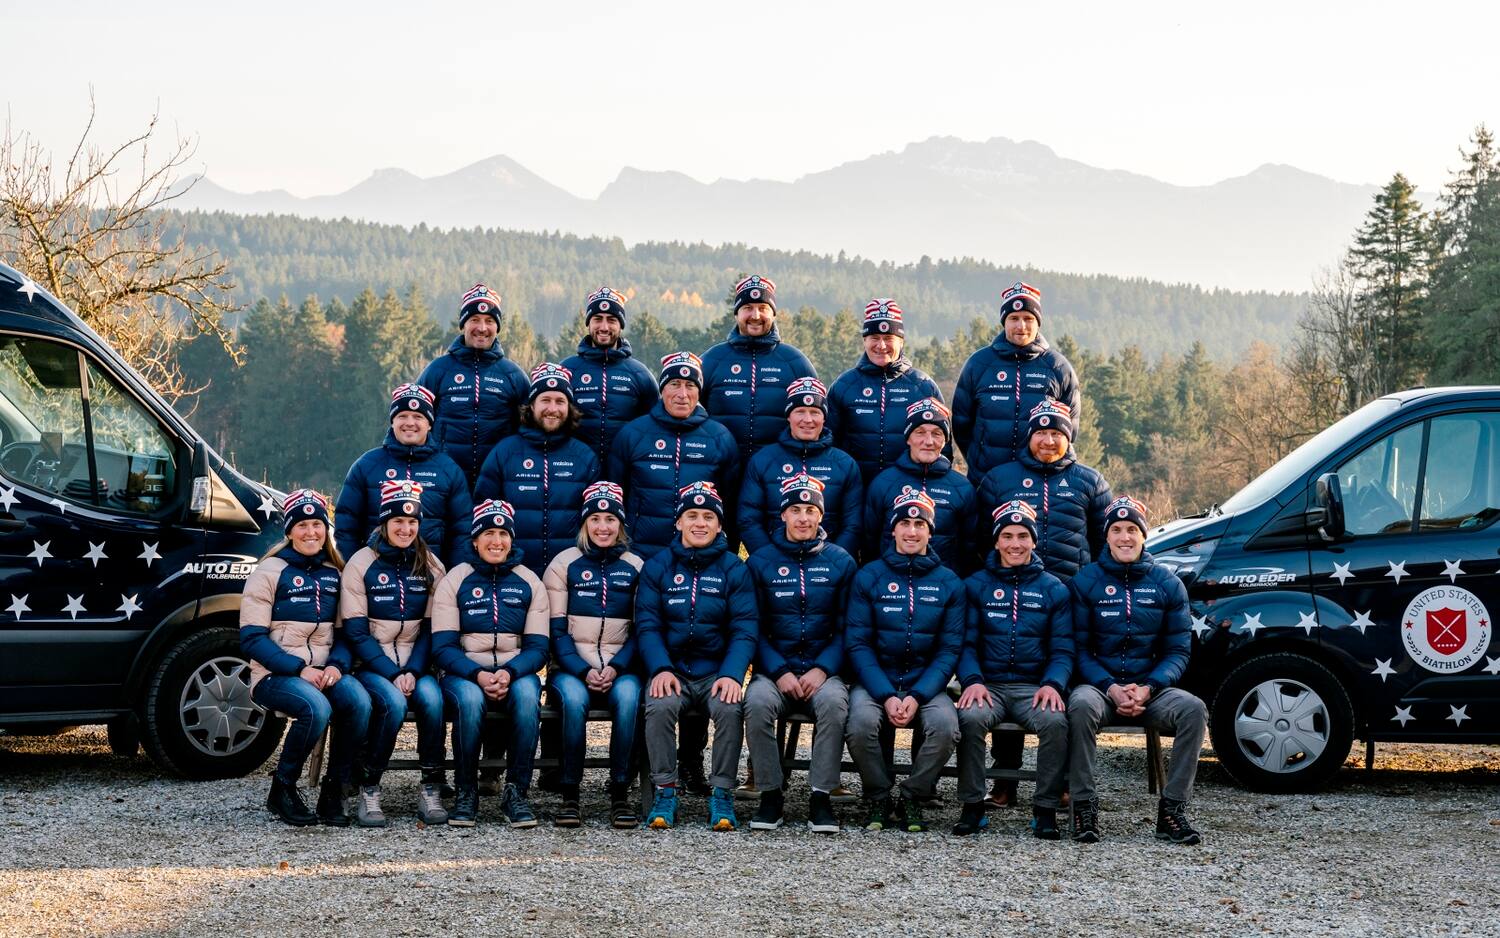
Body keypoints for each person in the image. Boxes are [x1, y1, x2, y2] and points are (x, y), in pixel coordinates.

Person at [1068, 496, 1206, 845]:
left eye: (1132, 530)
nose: (1125, 537)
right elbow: (1080, 650)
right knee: (1080, 706)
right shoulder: (1085, 582)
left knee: (1193, 709)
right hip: (1100, 688)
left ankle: (1172, 811)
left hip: (1152, 689)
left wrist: (1149, 686)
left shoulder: (1167, 583)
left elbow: (1177, 651)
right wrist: (1111, 687)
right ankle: (1084, 807)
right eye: (1116, 530)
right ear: (1107, 536)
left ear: (1144, 535)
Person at [240, 489, 371, 827]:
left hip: (323, 672)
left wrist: (335, 665)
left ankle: (334, 791)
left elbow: (344, 635)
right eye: (302, 525)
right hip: (274, 675)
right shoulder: (268, 572)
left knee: (358, 701)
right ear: (289, 531)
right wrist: (300, 669)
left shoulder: (335, 573)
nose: (311, 532)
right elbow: (252, 639)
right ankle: (282, 789)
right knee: (316, 708)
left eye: (318, 524)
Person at [636, 482, 758, 831]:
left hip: (715, 672)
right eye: (692, 515)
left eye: (708, 517)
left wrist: (733, 674)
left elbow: (744, 628)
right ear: (678, 523)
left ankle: (722, 792)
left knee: (730, 707)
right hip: (671, 669)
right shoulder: (657, 566)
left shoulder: (735, 569)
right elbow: (648, 625)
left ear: (720, 526)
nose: (700, 523)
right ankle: (665, 789)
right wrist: (659, 668)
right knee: (658, 706)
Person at [844, 490, 965, 833]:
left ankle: (913, 793)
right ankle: (879, 794)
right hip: (875, 681)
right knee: (860, 724)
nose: (912, 531)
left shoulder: (949, 583)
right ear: (892, 531)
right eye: (905, 524)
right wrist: (886, 694)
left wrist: (917, 695)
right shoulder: (868, 576)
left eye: (919, 525)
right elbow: (858, 643)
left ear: (931, 532)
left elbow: (949, 649)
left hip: (925, 684)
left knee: (945, 728)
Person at [743, 473, 858, 833]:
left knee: (834, 705)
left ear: (821, 516)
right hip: (775, 671)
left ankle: (821, 797)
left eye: (811, 510)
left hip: (824, 672)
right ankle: (770, 794)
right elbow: (751, 627)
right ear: (783, 515)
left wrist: (823, 669)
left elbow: (848, 629)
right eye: (796, 510)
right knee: (757, 703)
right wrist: (778, 671)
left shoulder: (841, 561)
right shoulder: (759, 562)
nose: (804, 518)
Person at [952, 501, 1073, 839]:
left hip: (1033, 687)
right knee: (970, 719)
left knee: (1054, 722)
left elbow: (1063, 649)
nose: (1015, 544)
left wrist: (1052, 684)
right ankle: (972, 805)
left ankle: (1045, 808)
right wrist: (972, 680)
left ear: (1034, 541)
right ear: (996, 541)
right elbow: (965, 644)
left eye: (1023, 536)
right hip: (987, 684)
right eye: (1007, 536)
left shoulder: (1054, 589)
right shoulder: (975, 586)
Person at [431, 500, 550, 829]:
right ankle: (466, 791)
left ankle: (516, 791)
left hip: (515, 670)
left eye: (502, 534)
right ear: (474, 540)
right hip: (465, 670)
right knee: (469, 701)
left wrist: (509, 673)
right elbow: (442, 647)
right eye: (488, 533)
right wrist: (478, 674)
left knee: (528, 699)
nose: (496, 541)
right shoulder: (455, 580)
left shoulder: (530, 581)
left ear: (512, 539)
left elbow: (539, 647)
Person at [339, 480, 449, 827]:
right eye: (398, 522)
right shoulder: (360, 563)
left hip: (416, 665)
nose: (406, 529)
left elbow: (433, 629)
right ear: (384, 524)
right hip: (374, 664)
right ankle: (369, 786)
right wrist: (391, 672)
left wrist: (414, 671)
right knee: (394, 703)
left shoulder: (430, 564)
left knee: (432, 701)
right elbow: (355, 631)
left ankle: (431, 786)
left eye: (413, 522)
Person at [542, 481, 646, 829]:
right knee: (572, 702)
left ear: (621, 524)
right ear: (585, 523)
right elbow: (555, 631)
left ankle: (620, 791)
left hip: (621, 667)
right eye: (596, 519)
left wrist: (616, 667)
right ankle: (570, 793)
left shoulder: (635, 566)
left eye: (611, 519)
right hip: (571, 669)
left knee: (630, 698)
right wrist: (582, 670)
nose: (603, 526)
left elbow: (640, 629)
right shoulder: (563, 564)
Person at [608, 351, 739, 559]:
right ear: (662, 389)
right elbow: (615, 497)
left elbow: (730, 505)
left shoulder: (720, 438)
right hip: (640, 553)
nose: (682, 394)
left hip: (700, 557)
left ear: (699, 392)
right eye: (675, 384)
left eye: (690, 385)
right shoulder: (632, 434)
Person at [475, 362, 601, 575]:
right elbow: (480, 512)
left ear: (569, 408)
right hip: (513, 574)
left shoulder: (585, 457)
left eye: (560, 401)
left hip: (571, 575)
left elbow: (597, 522)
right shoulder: (504, 452)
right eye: (545, 400)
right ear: (531, 406)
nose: (552, 409)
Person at [952, 281, 1081, 480]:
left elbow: (1068, 429)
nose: (1021, 326)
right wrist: (979, 460)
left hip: (1037, 481)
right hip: (985, 480)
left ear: (1038, 322)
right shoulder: (978, 364)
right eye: (1014, 318)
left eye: (1028, 318)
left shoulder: (1058, 368)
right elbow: (961, 425)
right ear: (1004, 321)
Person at [335, 383, 472, 567]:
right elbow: (346, 527)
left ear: (429, 424)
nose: (409, 423)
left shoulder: (449, 470)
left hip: (431, 578)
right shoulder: (366, 465)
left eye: (418, 416)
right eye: (402, 416)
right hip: (376, 579)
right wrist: (355, 570)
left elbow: (462, 531)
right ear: (392, 422)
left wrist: (451, 577)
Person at [975, 399, 1112, 581]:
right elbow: (982, 539)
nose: (1048, 441)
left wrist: (1089, 582)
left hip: (1073, 590)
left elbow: (1105, 541)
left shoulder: (1091, 481)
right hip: (1013, 588)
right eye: (1040, 432)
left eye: (1056, 433)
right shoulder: (998, 479)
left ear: (1068, 437)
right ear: (1030, 436)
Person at [418, 283, 531, 489]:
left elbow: (531, 430)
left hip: (497, 483)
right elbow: (409, 417)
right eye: (474, 320)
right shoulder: (438, 370)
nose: (482, 328)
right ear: (463, 324)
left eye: (489, 321)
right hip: (444, 481)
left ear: (497, 327)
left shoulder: (513, 375)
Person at [737, 377, 863, 557]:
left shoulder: (845, 464)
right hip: (774, 565)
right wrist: (767, 560)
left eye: (815, 412)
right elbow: (749, 519)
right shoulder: (763, 460)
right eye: (800, 411)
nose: (808, 419)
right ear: (788, 415)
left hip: (829, 568)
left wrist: (835, 562)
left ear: (824, 417)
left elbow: (853, 525)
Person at [700, 274, 817, 466]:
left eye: (763, 308)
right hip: (719, 468)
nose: (755, 316)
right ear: (736, 314)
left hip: (778, 471)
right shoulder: (713, 360)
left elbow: (816, 419)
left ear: (773, 313)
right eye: (747, 308)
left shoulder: (795, 362)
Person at [827, 298, 947, 485]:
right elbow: (829, 444)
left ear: (901, 341)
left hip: (910, 492)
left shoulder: (923, 387)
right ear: (864, 340)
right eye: (874, 338)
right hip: (856, 491)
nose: (881, 346)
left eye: (889, 338)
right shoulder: (844, 385)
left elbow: (942, 447)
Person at [862, 398, 976, 573]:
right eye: (920, 432)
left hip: (942, 589)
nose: (928, 441)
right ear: (908, 438)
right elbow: (869, 544)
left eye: (937, 433)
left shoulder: (962, 488)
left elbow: (968, 550)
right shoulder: (882, 483)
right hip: (890, 588)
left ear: (945, 440)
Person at [561, 287, 660, 469]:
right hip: (574, 471)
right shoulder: (567, 370)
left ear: (621, 325)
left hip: (626, 471)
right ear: (588, 324)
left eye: (612, 320)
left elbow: (656, 426)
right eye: (597, 319)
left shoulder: (640, 374)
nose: (604, 327)